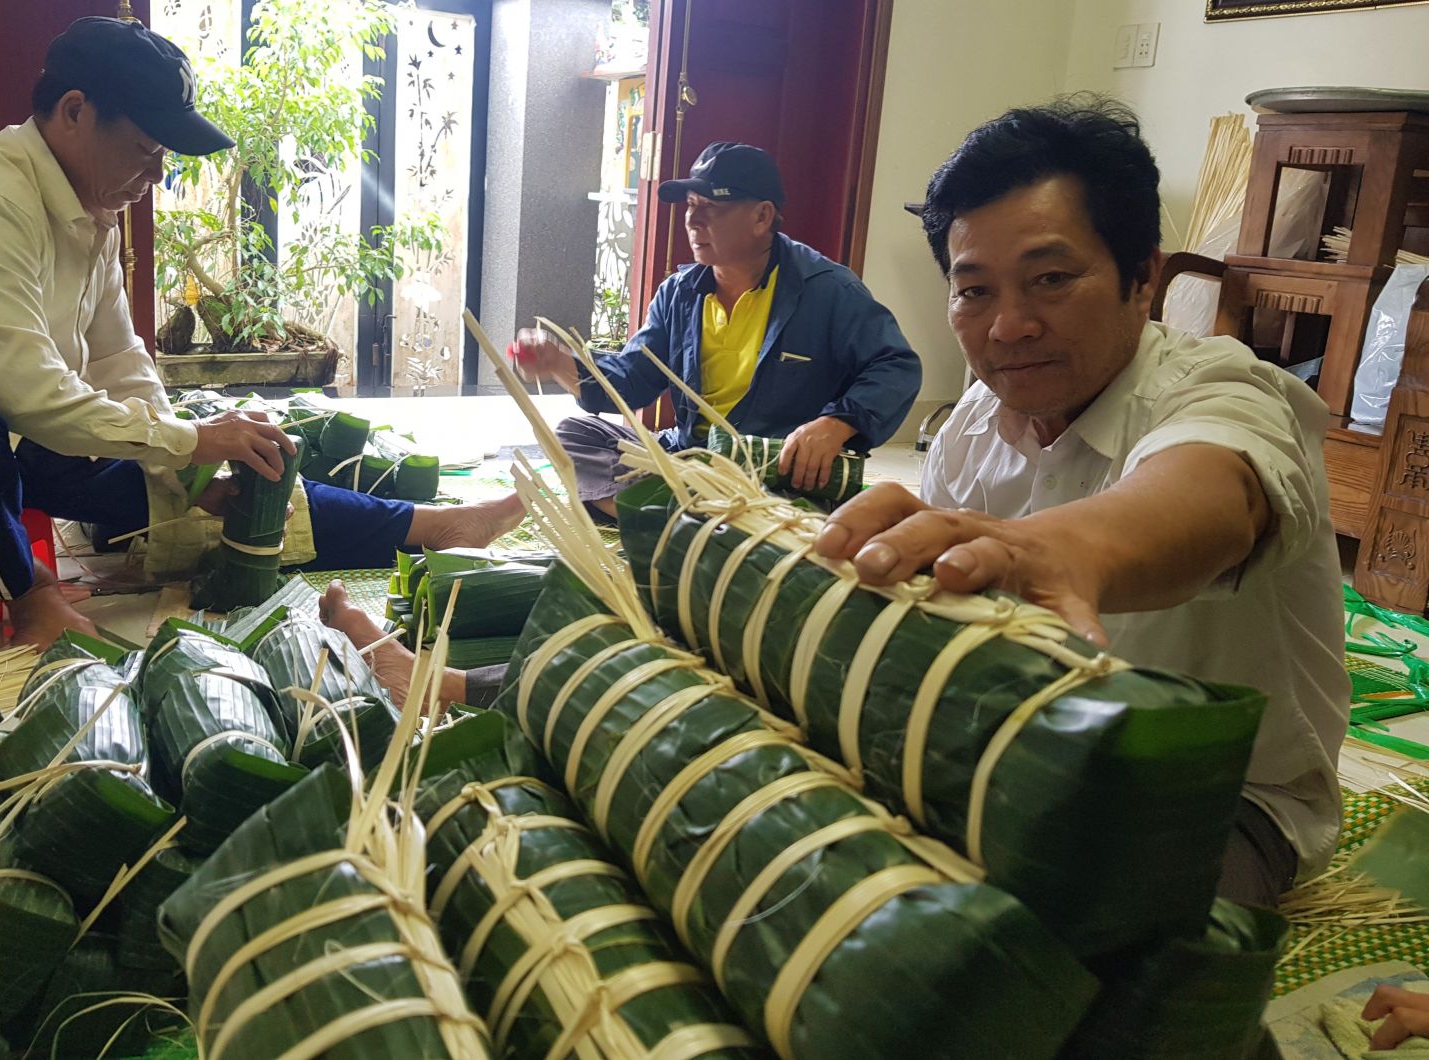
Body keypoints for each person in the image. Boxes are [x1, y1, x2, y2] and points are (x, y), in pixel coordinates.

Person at [0, 16, 520, 649]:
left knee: (198, 462)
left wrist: (185, 464)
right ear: (74, 112)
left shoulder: (89, 210)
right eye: (144, 148)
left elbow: (115, 356)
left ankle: (423, 526)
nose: (157, 174)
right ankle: (31, 593)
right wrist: (188, 441)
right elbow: (20, 390)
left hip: (10, 446)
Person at [812, 97, 1349, 909]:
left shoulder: (1225, 388)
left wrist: (1060, 550)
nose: (1010, 327)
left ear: (1144, 279)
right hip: (1024, 760)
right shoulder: (969, 430)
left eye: (1052, 279)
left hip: (1215, 803)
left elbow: (1211, 495)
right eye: (975, 291)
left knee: (1047, 954)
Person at [511, 141, 921, 517]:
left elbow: (896, 367)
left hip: (772, 470)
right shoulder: (680, 292)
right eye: (690, 204)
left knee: (788, 498)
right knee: (573, 436)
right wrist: (560, 363)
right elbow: (634, 380)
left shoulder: (828, 289)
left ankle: (666, 515)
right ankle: (703, 519)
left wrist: (834, 425)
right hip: (690, 458)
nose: (692, 219)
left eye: (711, 206)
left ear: (762, 216)